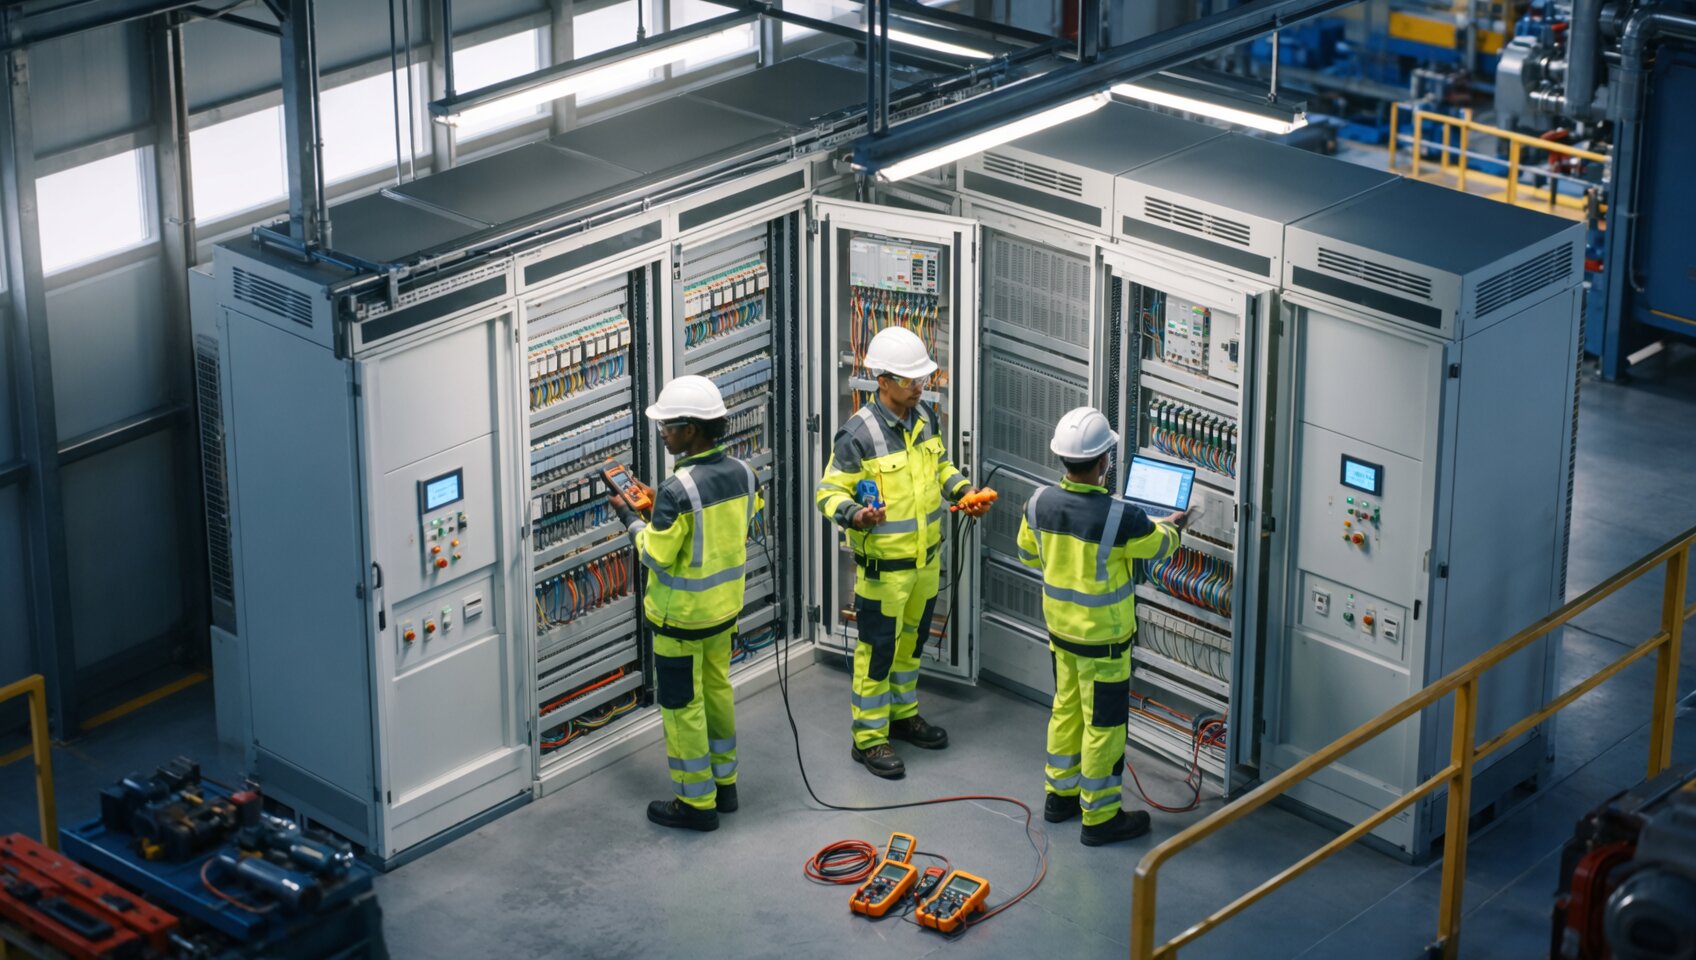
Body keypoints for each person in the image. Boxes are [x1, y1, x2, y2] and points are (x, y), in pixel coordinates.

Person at [815, 326, 991, 779]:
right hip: (883, 573)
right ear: (883, 380)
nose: (920, 387)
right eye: (911, 380)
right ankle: (869, 738)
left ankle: (902, 715)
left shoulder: (925, 419)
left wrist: (964, 490)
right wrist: (855, 515)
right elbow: (828, 493)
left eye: (922, 379)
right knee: (877, 653)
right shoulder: (856, 435)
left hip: (925, 562)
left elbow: (942, 465)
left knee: (911, 646)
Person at [1016, 407, 1186, 846]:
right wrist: (1174, 529)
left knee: (1066, 711)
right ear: (1104, 462)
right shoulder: (1121, 517)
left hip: (1062, 638)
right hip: (1105, 646)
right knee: (1104, 729)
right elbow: (1157, 546)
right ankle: (1101, 817)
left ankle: (1060, 797)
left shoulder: (1037, 503)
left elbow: (1028, 555)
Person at [613, 375, 761, 832]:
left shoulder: (676, 490)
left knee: (682, 707)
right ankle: (726, 785)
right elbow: (723, 525)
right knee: (717, 692)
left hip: (680, 619)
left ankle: (695, 804)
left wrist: (632, 521)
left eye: (669, 426)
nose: (663, 433)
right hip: (723, 612)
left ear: (693, 430)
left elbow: (657, 556)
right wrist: (660, 509)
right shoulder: (745, 473)